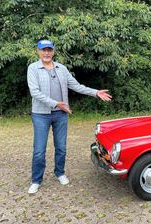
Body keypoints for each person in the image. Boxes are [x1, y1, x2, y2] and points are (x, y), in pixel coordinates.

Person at [27, 39, 112, 194]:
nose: (46, 53)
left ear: (53, 51)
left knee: (61, 147)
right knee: (39, 150)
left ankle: (59, 172)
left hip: (61, 114)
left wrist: (95, 92)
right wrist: (56, 103)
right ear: (38, 51)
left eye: (49, 49)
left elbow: (76, 86)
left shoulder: (61, 68)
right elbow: (35, 92)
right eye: (43, 50)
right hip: (41, 114)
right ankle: (36, 180)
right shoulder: (33, 68)